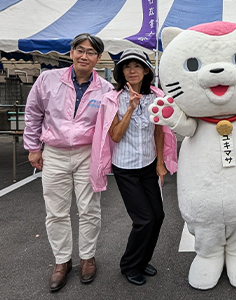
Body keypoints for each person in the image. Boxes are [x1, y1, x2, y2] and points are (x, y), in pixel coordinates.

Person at [23, 33, 113, 292]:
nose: (85, 56)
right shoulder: (48, 79)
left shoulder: (105, 89)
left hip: (88, 153)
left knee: (89, 209)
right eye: (80, 50)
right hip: (54, 152)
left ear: (98, 58)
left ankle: (87, 257)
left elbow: (109, 125)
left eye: (91, 52)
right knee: (56, 210)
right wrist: (33, 148)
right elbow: (33, 113)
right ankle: (62, 262)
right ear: (71, 52)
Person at [90, 48, 177, 285]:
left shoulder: (155, 96)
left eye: (137, 66)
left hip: (148, 165)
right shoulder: (113, 99)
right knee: (143, 219)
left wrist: (160, 163)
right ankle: (129, 265)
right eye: (127, 67)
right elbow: (116, 136)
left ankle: (142, 260)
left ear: (146, 70)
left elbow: (159, 131)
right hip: (125, 168)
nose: (132, 70)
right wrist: (130, 107)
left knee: (158, 215)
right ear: (121, 72)